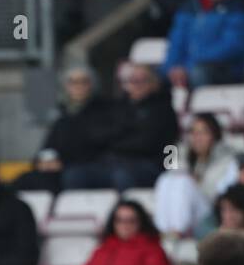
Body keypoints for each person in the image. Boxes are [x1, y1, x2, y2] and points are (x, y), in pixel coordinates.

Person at [76, 62, 178, 191]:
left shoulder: (163, 110)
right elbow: (98, 136)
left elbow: (148, 143)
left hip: (149, 165)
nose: (136, 85)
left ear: (153, 83)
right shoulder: (118, 107)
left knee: (122, 175)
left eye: (142, 80)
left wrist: (115, 141)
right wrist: (124, 135)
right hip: (113, 163)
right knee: (77, 174)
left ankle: (125, 210)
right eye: (132, 81)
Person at [154, 112, 239, 236]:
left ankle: (178, 231)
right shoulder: (185, 153)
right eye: (194, 132)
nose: (197, 137)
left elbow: (223, 193)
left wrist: (197, 183)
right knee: (165, 179)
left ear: (215, 135)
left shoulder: (227, 159)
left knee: (184, 182)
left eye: (203, 132)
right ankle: (164, 230)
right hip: (190, 208)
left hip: (211, 210)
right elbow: (174, 174)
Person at [163, 0, 244, 90]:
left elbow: (233, 46)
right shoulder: (188, 8)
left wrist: (188, 66)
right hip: (188, 68)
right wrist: (172, 67)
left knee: (198, 73)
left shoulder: (238, 8)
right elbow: (176, 43)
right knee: (152, 77)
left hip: (223, 69)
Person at [43, 65, 117, 191]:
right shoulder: (62, 115)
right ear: (66, 86)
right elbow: (49, 145)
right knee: (28, 178)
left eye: (84, 81)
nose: (78, 86)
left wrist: (62, 162)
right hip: (64, 166)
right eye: (73, 82)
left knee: (73, 176)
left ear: (92, 85)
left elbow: (95, 144)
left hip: (93, 167)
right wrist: (45, 160)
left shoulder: (105, 110)